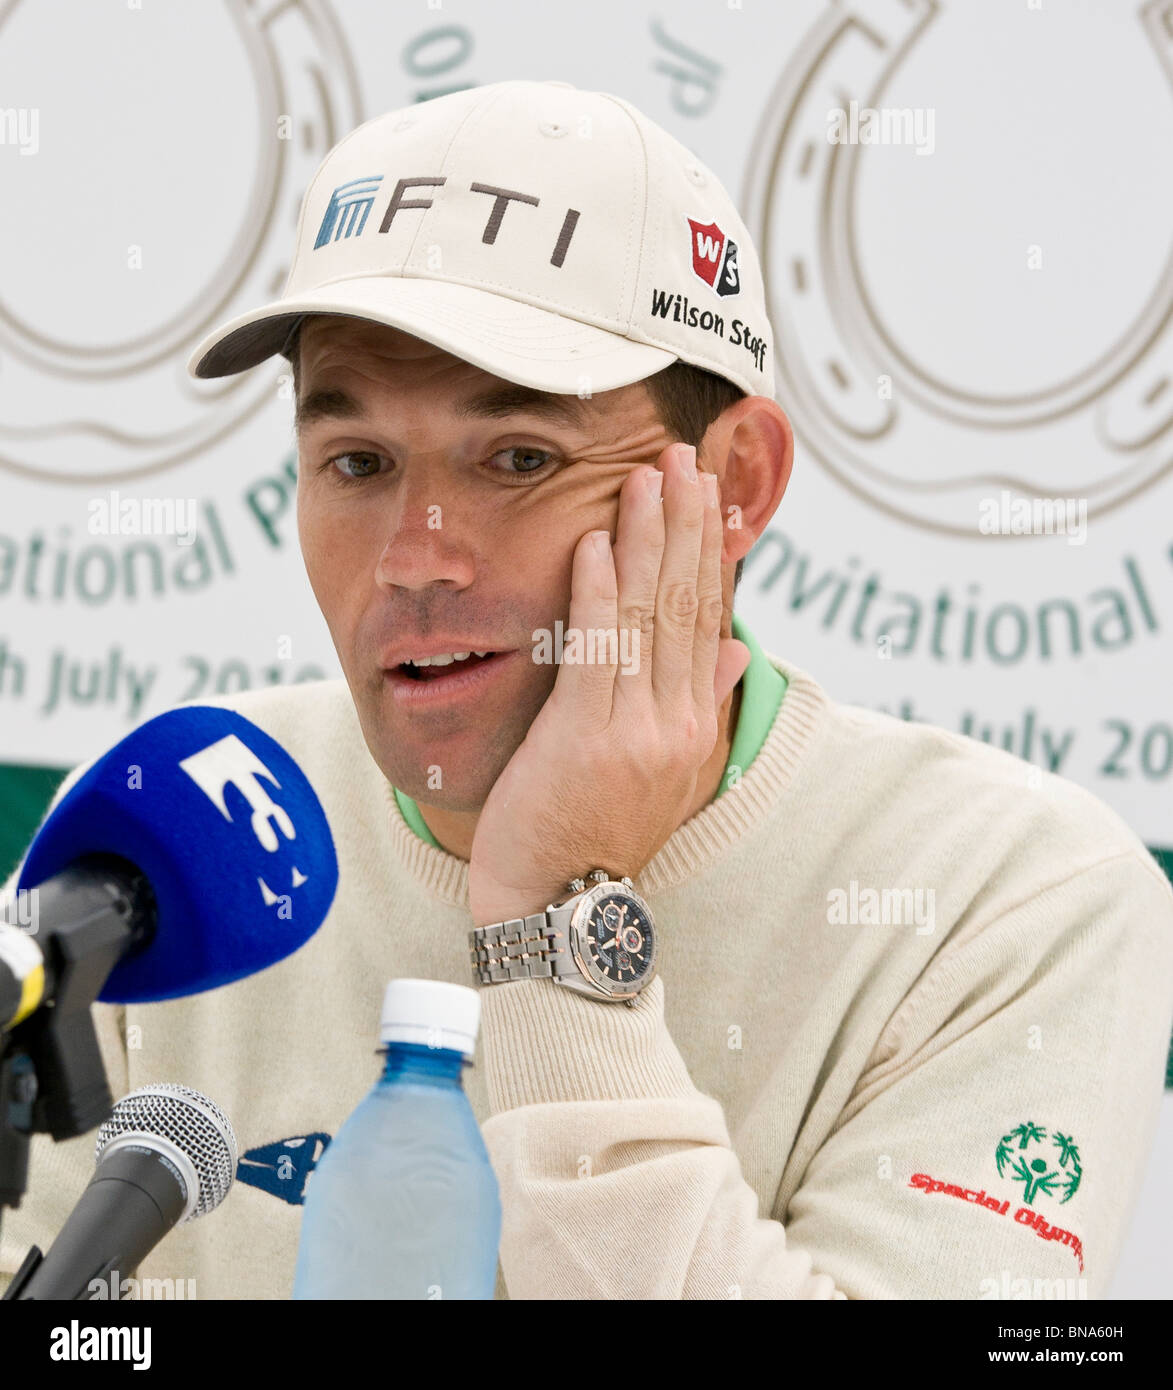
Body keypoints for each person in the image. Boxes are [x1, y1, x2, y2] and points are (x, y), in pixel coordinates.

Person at [2, 79, 1171, 1301]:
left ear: (738, 486)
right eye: (356, 461)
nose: (414, 554)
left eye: (519, 458)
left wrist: (560, 924)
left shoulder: (1022, 893)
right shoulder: (190, 830)